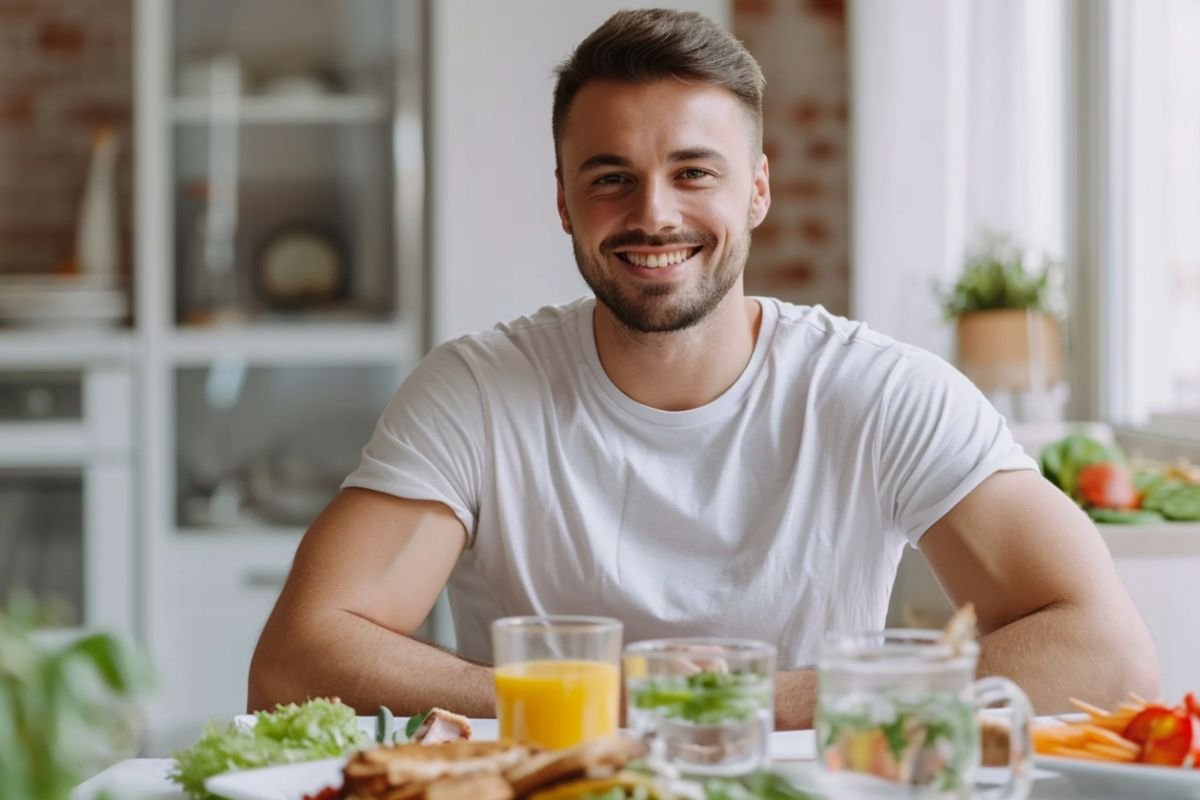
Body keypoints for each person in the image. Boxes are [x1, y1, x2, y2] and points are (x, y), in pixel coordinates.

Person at [248, 8, 1157, 728]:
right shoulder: (478, 391)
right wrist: (616, 708)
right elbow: (297, 658)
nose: (654, 214)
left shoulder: (880, 391)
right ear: (563, 200)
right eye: (610, 177)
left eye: (693, 173)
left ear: (757, 190)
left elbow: (1108, 656)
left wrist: (741, 707)